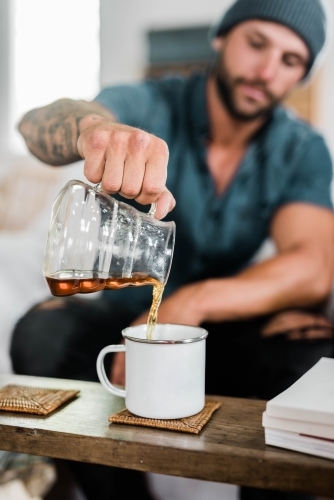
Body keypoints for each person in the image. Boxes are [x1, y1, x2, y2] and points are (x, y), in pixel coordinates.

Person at [11, 0, 334, 499]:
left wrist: (191, 301)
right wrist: (92, 131)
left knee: (311, 359)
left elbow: (313, 266)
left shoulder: (301, 149)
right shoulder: (154, 105)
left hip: (217, 331)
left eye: (291, 60)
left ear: (301, 75)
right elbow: (36, 126)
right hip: (123, 324)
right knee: (41, 331)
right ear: (222, 38)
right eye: (257, 43)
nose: (268, 70)